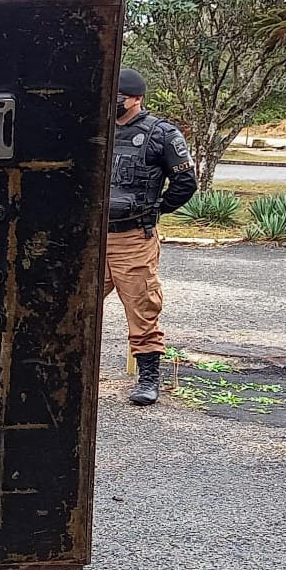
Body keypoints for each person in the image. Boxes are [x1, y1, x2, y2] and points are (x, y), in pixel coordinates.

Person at [108, 66, 196, 406]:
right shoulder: (96, 129)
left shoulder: (161, 134)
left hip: (133, 238)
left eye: (120, 99)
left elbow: (186, 182)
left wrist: (155, 210)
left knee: (142, 309)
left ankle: (148, 379)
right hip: (94, 238)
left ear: (137, 99)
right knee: (71, 305)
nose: (114, 104)